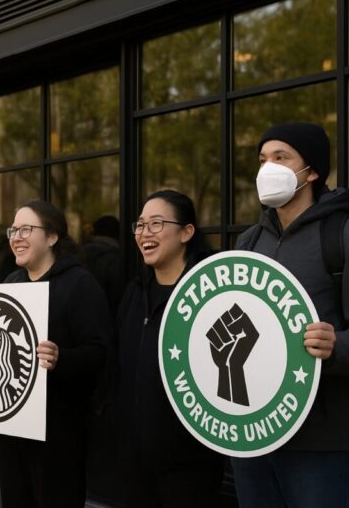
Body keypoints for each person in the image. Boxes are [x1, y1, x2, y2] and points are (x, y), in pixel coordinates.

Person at [232, 122, 349, 506]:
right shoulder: (249, 242)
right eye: (262, 159)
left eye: (280, 157)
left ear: (312, 172)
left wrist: (337, 344)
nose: (266, 169)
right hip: (252, 435)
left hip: (322, 444)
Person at [0, 200, 110, 507]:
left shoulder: (79, 284)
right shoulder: (10, 283)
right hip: (10, 429)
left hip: (58, 434)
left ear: (53, 236)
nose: (16, 237)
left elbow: (99, 354)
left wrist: (61, 358)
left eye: (26, 229)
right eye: (13, 230)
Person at [112, 190, 224, 506]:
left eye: (157, 223)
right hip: (133, 462)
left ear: (187, 232)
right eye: (140, 225)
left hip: (190, 464)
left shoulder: (209, 296)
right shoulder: (134, 293)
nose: (145, 232)